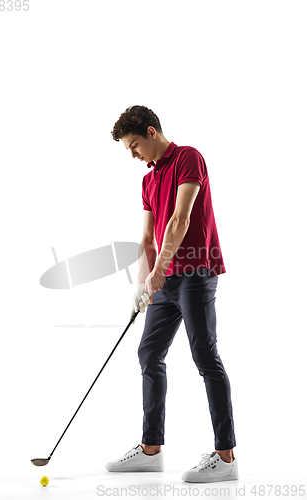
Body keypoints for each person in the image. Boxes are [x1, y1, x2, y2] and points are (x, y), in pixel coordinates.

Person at [105, 105, 238, 483]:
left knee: (204, 355)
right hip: (164, 279)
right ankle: (151, 449)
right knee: (149, 351)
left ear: (151, 131)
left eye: (134, 145)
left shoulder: (188, 158)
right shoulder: (148, 180)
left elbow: (180, 220)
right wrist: (141, 283)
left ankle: (226, 456)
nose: (133, 154)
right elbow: (148, 238)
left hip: (195, 273)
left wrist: (159, 271)